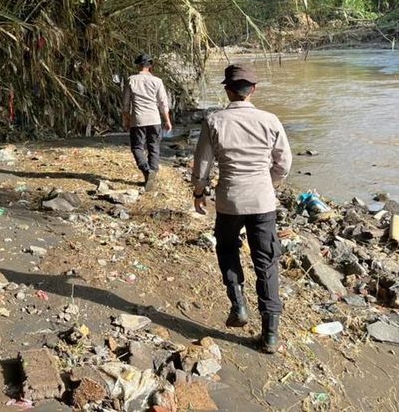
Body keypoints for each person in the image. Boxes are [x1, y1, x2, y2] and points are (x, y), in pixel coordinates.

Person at [191, 64, 292, 354]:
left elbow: (202, 165)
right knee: (267, 263)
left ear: (227, 89)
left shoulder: (214, 120)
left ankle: (238, 305)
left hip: (229, 201)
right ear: (254, 90)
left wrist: (199, 192)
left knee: (227, 249)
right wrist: (268, 185)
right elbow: (283, 164)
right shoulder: (270, 120)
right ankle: (270, 335)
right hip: (262, 201)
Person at [122, 53, 172, 191]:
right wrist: (167, 120)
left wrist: (126, 120)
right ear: (150, 66)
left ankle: (146, 170)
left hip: (138, 119)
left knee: (137, 147)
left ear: (138, 65)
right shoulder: (157, 81)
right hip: (154, 119)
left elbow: (125, 104)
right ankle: (153, 173)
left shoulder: (131, 80)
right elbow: (163, 103)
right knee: (154, 147)